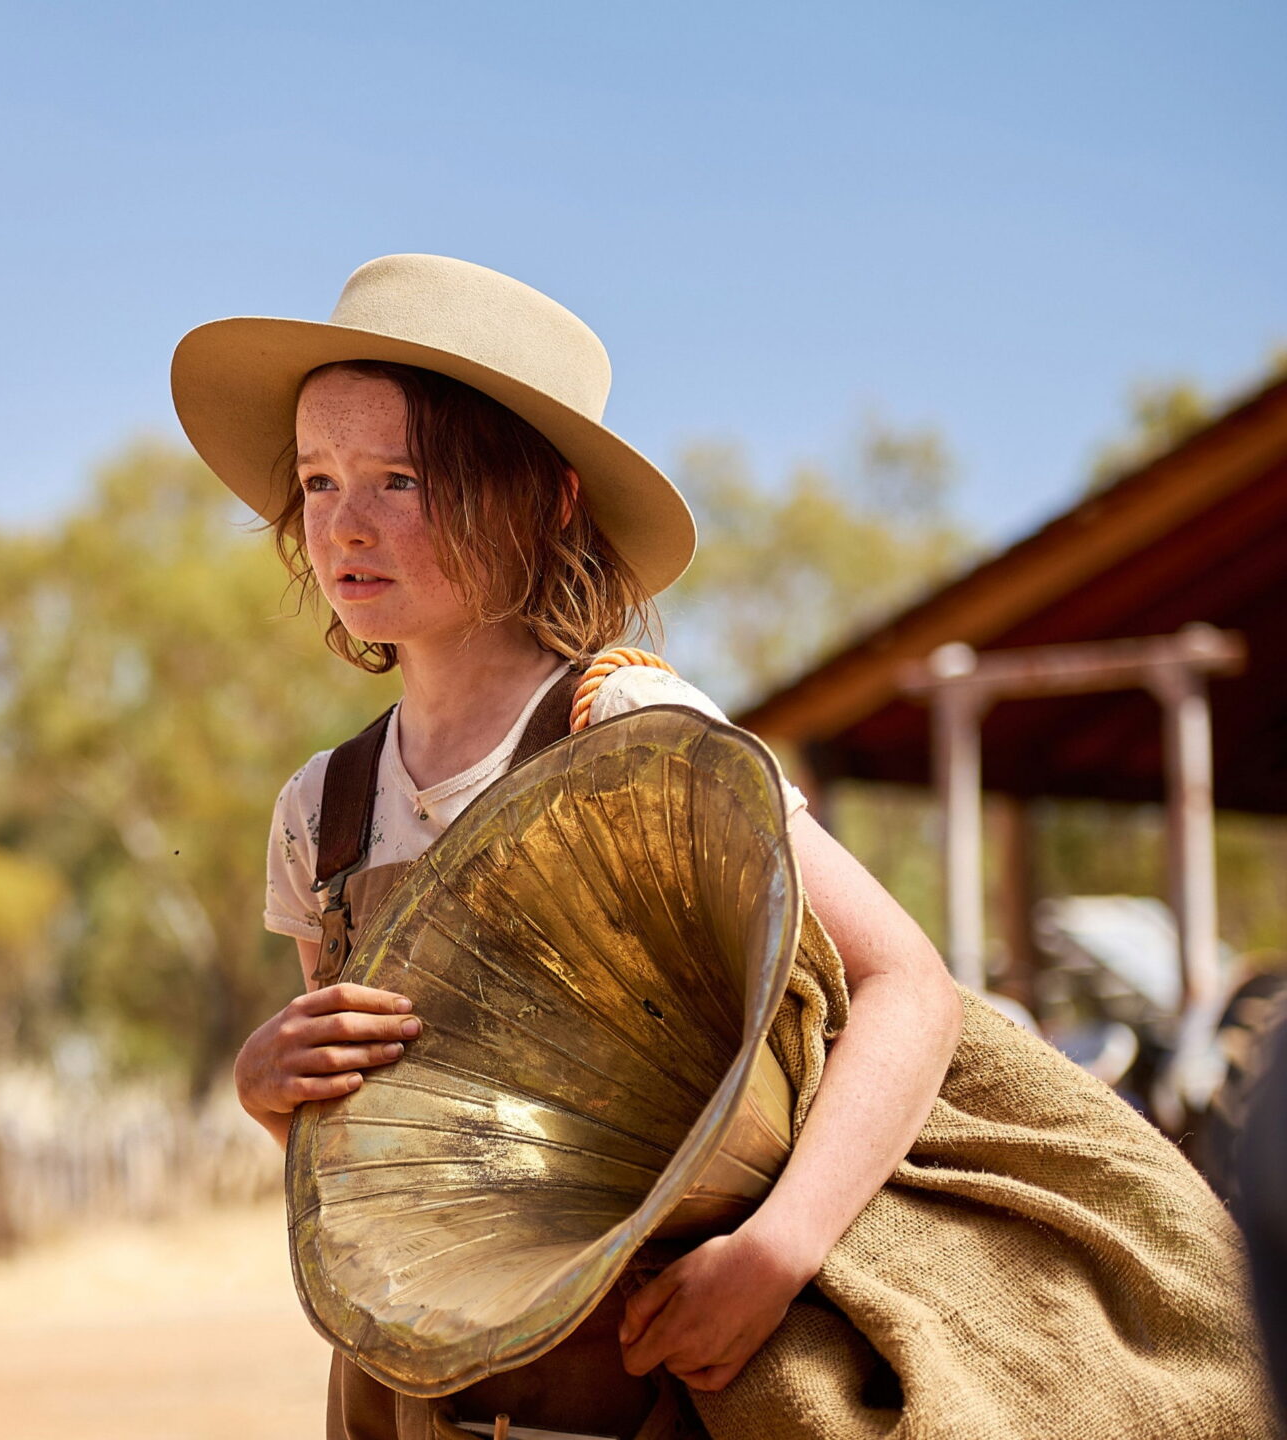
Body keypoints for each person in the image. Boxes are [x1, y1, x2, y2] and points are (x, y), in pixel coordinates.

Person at [174, 255, 1274, 1439]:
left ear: (546, 501)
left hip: (675, 1362)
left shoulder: (632, 731)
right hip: (434, 1387)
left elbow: (907, 986)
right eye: (318, 480)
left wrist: (776, 1255)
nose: (345, 523)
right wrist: (272, 1094)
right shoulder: (322, 812)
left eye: (401, 479)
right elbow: (389, 1147)